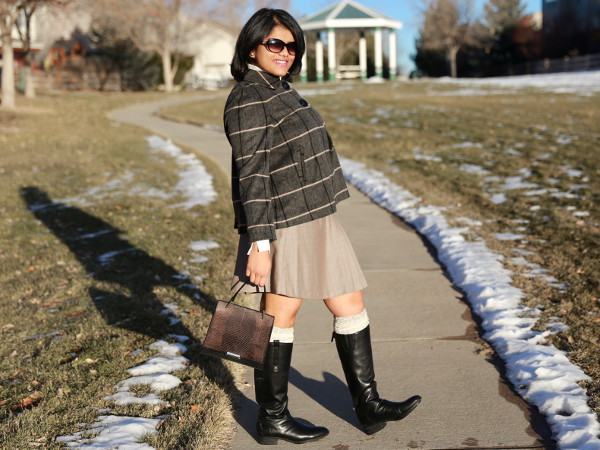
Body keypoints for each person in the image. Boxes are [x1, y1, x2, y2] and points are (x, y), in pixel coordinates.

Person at [223, 8, 421, 445]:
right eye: (276, 43)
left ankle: (367, 402)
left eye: (292, 45)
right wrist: (260, 243)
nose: (285, 52)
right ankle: (272, 417)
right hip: (285, 220)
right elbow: (251, 174)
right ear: (252, 46)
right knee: (281, 312)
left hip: (317, 216)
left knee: (349, 299)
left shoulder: (279, 89)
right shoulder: (248, 97)